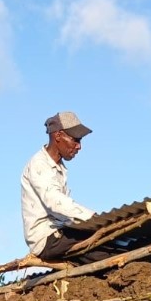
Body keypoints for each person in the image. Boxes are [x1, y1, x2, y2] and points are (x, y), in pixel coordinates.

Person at [21, 111, 100, 262]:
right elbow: (56, 202)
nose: (79, 147)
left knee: (108, 245)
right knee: (102, 252)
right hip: (47, 238)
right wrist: (92, 218)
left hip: (59, 231)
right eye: (75, 140)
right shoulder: (39, 165)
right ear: (58, 136)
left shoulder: (59, 168)